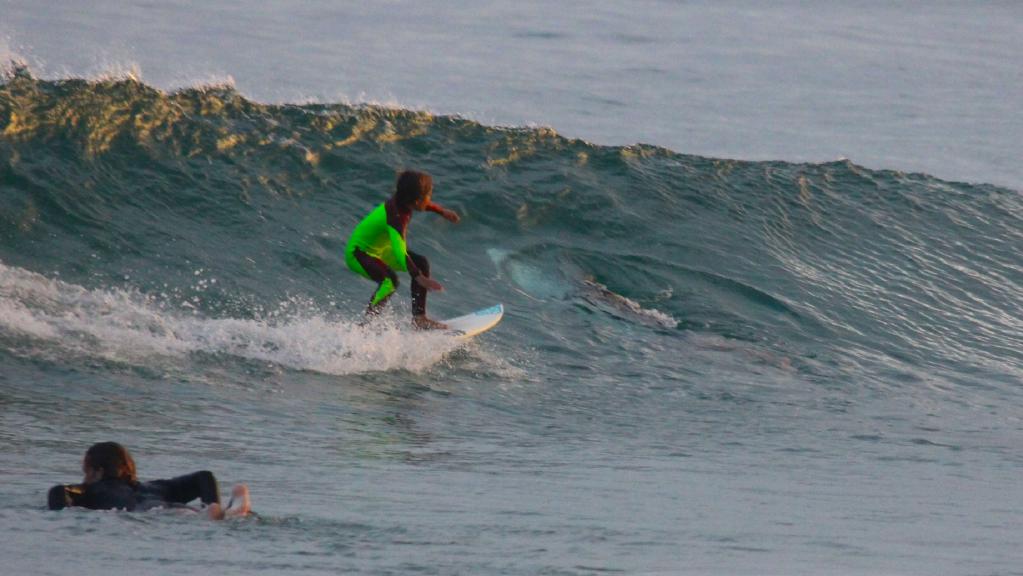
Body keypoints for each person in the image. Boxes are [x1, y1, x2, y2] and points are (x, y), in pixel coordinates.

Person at [344, 170, 460, 329]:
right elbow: (400, 250)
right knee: (390, 281)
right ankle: (365, 326)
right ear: (417, 200)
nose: (429, 199)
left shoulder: (403, 202)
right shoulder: (396, 217)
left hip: (379, 250)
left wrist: (441, 211)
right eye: (428, 195)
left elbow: (423, 205)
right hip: (358, 253)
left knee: (420, 262)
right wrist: (419, 277)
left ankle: (419, 319)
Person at [47, 441, 250, 520]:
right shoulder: (156, 486)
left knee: (202, 520)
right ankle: (222, 509)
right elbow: (203, 476)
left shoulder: (92, 491)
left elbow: (57, 491)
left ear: (98, 472)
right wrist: (211, 503)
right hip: (180, 509)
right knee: (217, 516)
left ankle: (216, 514)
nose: (85, 479)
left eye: (86, 472)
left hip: (154, 515)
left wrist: (66, 513)